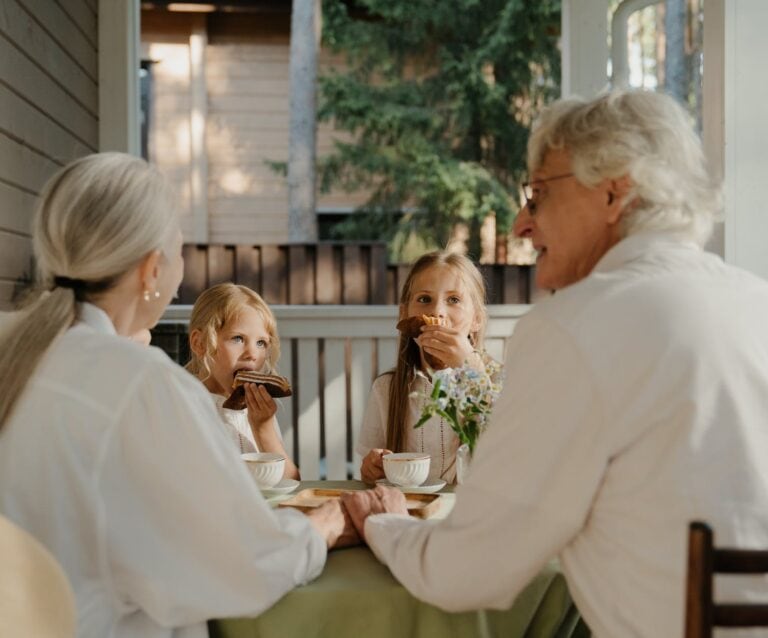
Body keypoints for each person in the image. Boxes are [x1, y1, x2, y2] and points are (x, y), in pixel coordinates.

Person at [340, 89, 768, 638]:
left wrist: (385, 523)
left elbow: (466, 571)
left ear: (614, 192)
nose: (521, 223)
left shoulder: (574, 327)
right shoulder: (756, 301)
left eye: (537, 194)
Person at [0, 153, 356, 638]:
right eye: (181, 248)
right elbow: (242, 567)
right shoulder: (142, 384)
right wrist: (326, 527)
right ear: (152, 270)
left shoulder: (22, 352)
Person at [356, 251, 501, 485]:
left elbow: (510, 452)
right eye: (424, 299)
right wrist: (371, 469)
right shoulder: (386, 389)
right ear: (404, 315)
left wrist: (470, 367)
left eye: (454, 300)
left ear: (477, 320)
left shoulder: (499, 383)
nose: (437, 312)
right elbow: (370, 472)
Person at [186, 283, 299, 479]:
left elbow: (291, 483)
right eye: (238, 339)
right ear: (200, 343)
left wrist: (263, 429)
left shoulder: (257, 409)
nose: (252, 354)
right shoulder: (184, 404)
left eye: (261, 343)